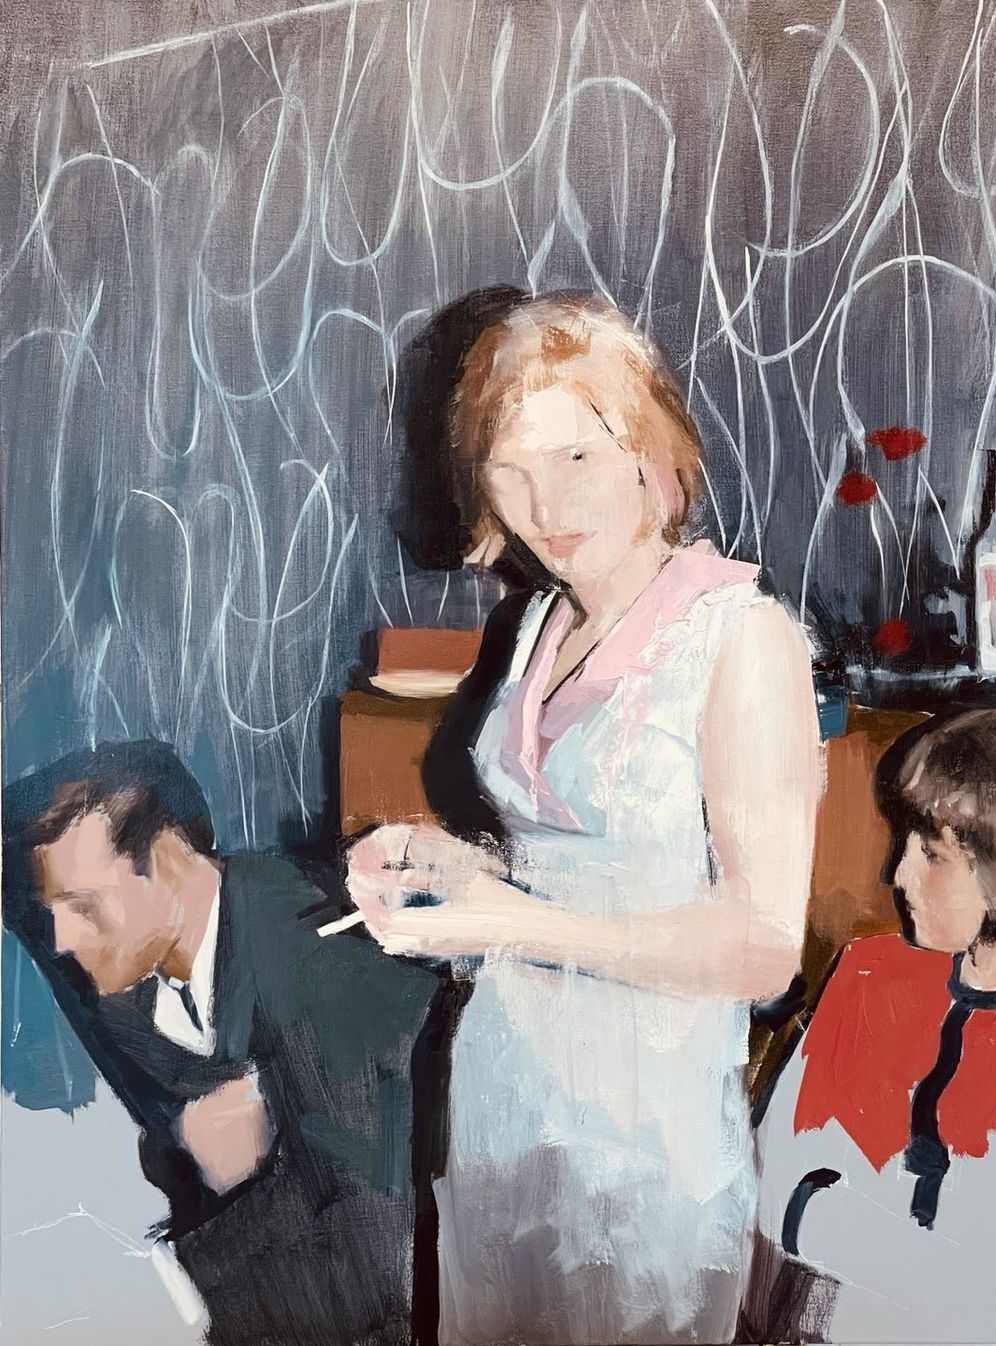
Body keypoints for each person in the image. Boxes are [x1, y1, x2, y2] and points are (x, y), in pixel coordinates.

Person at [345, 292, 821, 1344]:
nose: (545, 503)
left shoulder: (743, 639)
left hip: (647, 1139)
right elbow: (563, 862)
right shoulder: (541, 625)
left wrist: (509, 923)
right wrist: (451, 869)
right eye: (510, 469)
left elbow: (761, 948)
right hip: (505, 1104)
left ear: (648, 449)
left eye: (575, 459)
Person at [2, 740, 438, 1346]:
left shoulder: (318, 959)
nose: (63, 939)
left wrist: (233, 1185)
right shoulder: (130, 1000)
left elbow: (373, 1283)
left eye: (82, 905)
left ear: (167, 860)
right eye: (54, 911)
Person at [750, 698, 996, 1345]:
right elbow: (766, 1183)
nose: (897, 874)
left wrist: (822, 1216)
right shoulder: (869, 974)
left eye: (932, 854)